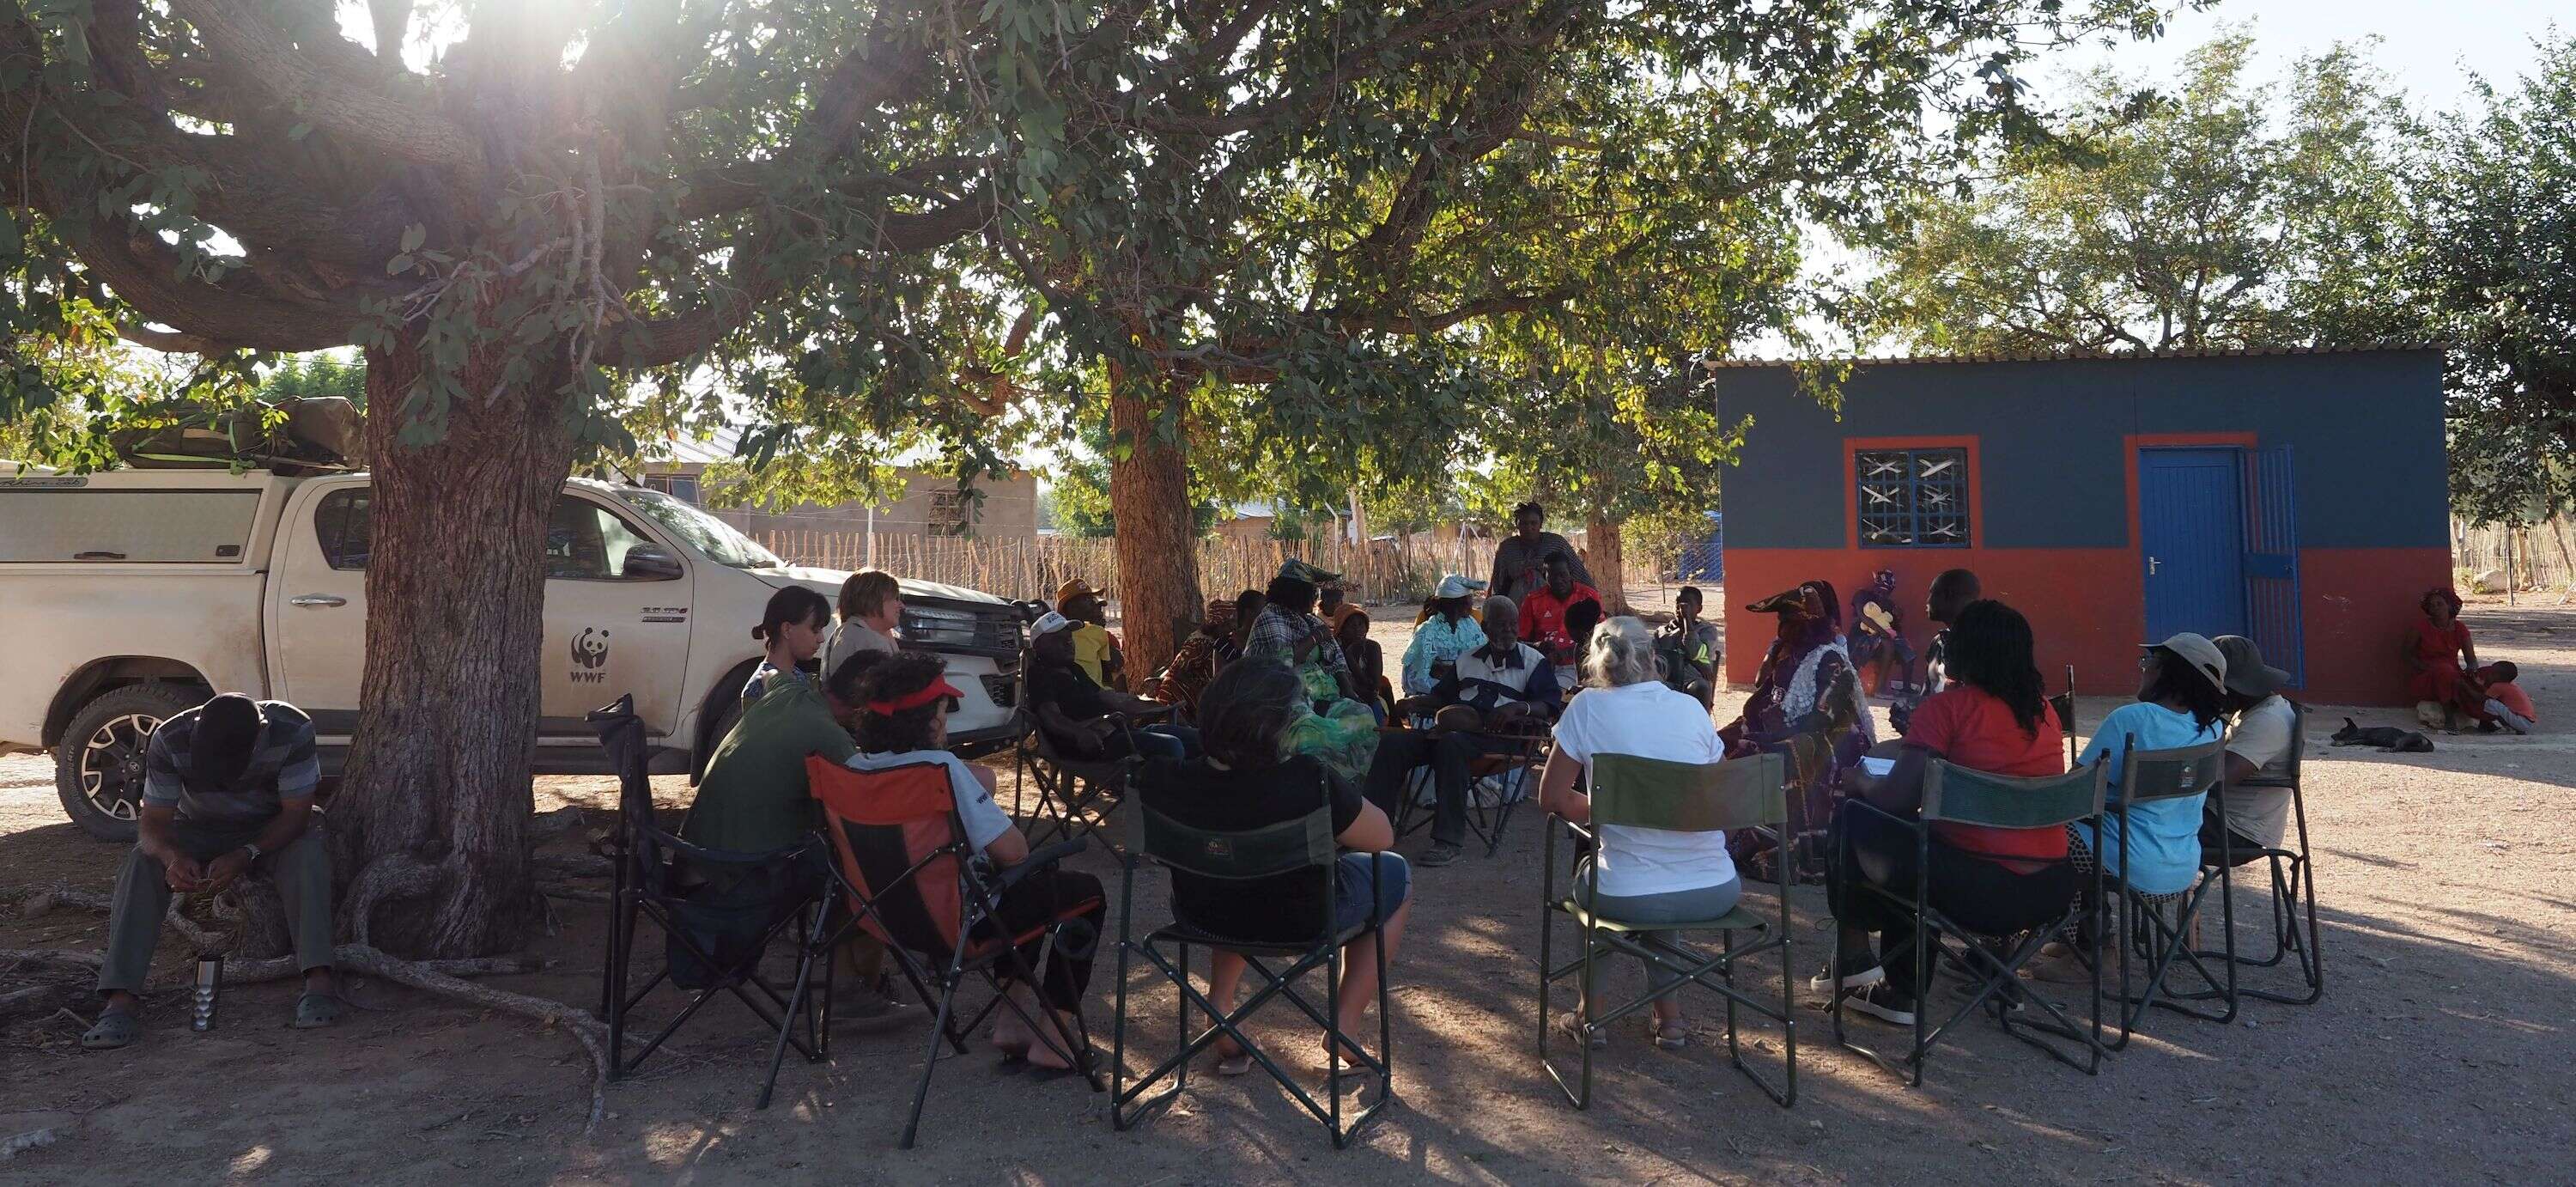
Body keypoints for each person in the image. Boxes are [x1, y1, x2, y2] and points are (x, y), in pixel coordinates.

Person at [1134, 660, 1412, 1076]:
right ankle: (1345, 1029)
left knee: (1229, 867)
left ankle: (1221, 1006)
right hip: (1298, 920)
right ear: (1279, 725)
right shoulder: (1308, 780)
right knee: (1396, 873)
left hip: (1201, 914)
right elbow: (1381, 838)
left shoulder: (1165, 777)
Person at [850, 653, 1104, 1069]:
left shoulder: (855, 768)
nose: (946, 720)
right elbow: (1013, 851)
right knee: (1079, 891)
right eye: (941, 711)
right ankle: (1054, 1034)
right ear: (923, 721)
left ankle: (1012, 1019)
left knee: (1031, 885)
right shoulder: (939, 769)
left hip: (887, 921)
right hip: (958, 923)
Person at [1826, 601, 2073, 1026]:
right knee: (1920, 844)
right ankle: (1885, 976)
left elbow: (1897, 799)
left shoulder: (1948, 709)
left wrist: (1862, 781)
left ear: (1965, 652)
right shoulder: (2044, 712)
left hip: (1976, 890)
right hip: (2050, 888)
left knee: (1858, 816)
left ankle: (1865, 967)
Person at [84, 693, 337, 1049]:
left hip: (272, 829)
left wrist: (246, 853)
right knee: (141, 864)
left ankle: (319, 982)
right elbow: (154, 823)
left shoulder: (292, 730)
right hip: (199, 828)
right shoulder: (170, 739)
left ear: (258, 739)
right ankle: (119, 1000)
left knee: (309, 851)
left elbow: (296, 814)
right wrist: (172, 857)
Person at [1536, 617, 1733, 1051]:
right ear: (1651, 656)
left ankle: (1593, 1017)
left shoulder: (1586, 707)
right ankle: (1672, 1021)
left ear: (1597, 661)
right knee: (1655, 874)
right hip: (1715, 888)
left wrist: (1614, 808)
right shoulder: (1690, 708)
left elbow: (1552, 799)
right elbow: (1726, 795)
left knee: (1607, 881)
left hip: (1629, 890)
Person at [686, 648, 912, 1023]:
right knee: (868, 866)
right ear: (864, 704)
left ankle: (842, 981)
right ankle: (846, 991)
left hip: (696, 855)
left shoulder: (790, 690)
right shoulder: (827, 735)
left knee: (833, 853)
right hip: (733, 876)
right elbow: (874, 805)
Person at [1366, 596, 1561, 867]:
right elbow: (1441, 697)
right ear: (1485, 627)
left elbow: (1550, 705)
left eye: (1513, 624)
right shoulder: (1467, 660)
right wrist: (1414, 702)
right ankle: (1376, 827)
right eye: (1501, 625)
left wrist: (1519, 707)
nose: (1509, 630)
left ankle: (1448, 841)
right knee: (1392, 743)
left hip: (1501, 739)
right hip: (1454, 731)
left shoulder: (1532, 662)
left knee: (1451, 745)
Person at [1721, 580, 1875, 880]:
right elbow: (1761, 697)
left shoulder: (1831, 659)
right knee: (1720, 742)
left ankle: (1779, 846)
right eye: (1781, 623)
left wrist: (1773, 736)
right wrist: (1752, 726)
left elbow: (1824, 717)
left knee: (1786, 752)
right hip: (1790, 729)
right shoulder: (1789, 655)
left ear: (1808, 624)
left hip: (1831, 741)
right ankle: (1715, 835)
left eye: (1788, 622)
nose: (1781, 629)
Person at [2066, 633, 2228, 907]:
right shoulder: (2213, 729)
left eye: (2148, 662)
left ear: (2167, 672)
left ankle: (2082, 938)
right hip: (2183, 869)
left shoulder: (2130, 719)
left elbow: (2072, 790)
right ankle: (2091, 937)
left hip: (2131, 866)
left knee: (2052, 835)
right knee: (2091, 833)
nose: (2143, 668)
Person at [1026, 612, 1200, 760]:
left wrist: (1155, 707)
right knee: (1172, 745)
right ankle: (1170, 795)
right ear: (1039, 646)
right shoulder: (1040, 675)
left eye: (1069, 638)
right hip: (1085, 744)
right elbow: (1051, 717)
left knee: (1197, 738)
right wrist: (1079, 733)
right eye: (1058, 640)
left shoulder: (1074, 668)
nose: (1069, 643)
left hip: (1111, 730)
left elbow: (1104, 696)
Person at [2201, 636, 2302, 859]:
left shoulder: (2268, 719)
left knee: (2136, 826)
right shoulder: (2249, 711)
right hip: (2220, 819)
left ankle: (2157, 891)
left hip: (2235, 830)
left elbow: (2215, 780)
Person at [1245, 569, 1366, 708]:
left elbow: (1337, 661)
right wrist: (1316, 637)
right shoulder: (1270, 619)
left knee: (1362, 714)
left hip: (1322, 696)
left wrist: (1350, 694)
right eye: (1313, 592)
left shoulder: (1312, 622)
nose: (1315, 598)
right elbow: (1282, 663)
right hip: (1284, 700)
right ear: (1299, 594)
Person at [1892, 569, 1981, 735]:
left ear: (1950, 596)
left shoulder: (1981, 645)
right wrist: (1909, 712)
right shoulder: (1938, 642)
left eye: (1932, 593)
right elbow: (1928, 694)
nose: (1927, 601)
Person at [2403, 587, 2489, 730]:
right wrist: (2423, 667)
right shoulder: (2420, 627)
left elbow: (2471, 660)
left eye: (2440, 604)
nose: (2436, 608)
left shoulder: (2460, 628)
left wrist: (2472, 671)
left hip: (2453, 674)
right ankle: (2449, 717)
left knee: (2487, 674)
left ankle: (2487, 718)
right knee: (2444, 671)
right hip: (2428, 676)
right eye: (2432, 605)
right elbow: (2406, 654)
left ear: (2449, 605)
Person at [1145, 597, 1242, 721]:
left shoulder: (1221, 642)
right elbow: (1175, 672)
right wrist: (1200, 692)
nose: (1231, 630)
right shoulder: (1199, 644)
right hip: (1184, 693)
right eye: (1228, 626)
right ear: (1217, 625)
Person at [742, 584, 834, 705]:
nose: (821, 639)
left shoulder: (797, 676)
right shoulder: (761, 687)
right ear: (786, 629)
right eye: (815, 630)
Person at [1400, 574, 1488, 697]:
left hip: (1467, 690)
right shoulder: (1427, 631)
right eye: (1469, 598)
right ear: (1457, 603)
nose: (1471, 602)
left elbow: (1483, 657)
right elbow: (1414, 679)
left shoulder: (1470, 625)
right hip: (1435, 695)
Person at [1489, 501, 1593, 602]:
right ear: (1517, 524)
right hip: (1516, 609)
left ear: (1541, 523)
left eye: (1533, 523)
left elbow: (1579, 573)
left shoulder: (1556, 544)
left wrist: (1594, 600)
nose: (1529, 528)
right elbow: (1497, 583)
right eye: (1524, 523)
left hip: (1553, 607)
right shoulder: (1507, 549)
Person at [1519, 553, 1605, 664]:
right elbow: (1520, 641)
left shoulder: (1588, 596)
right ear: (1544, 576)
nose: (1558, 580)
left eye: (1562, 575)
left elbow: (1602, 634)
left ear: (1570, 574)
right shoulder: (1532, 600)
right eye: (1552, 576)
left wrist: (1566, 653)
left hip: (1584, 662)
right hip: (1544, 662)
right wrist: (1537, 646)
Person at [1846, 569, 1916, 697]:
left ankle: (1906, 688)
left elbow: (1894, 628)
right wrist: (1882, 632)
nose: (1882, 593)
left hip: (1882, 637)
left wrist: (1898, 617)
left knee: (1908, 649)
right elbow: (1863, 617)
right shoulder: (1862, 595)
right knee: (1887, 643)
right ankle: (1880, 689)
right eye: (1880, 589)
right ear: (1875, 585)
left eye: (1887, 591)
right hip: (1860, 638)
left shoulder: (1889, 604)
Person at [824, 569, 903, 676]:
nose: (902, 606)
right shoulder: (870, 641)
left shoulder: (845, 633)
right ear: (873, 600)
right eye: (895, 599)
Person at [1656, 585, 1722, 707]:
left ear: (1699, 609)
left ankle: (1701, 723)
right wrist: (1697, 664)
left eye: (1687, 604)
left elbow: (1695, 652)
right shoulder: (1662, 632)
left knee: (1700, 687)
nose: (1680, 608)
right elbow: (1653, 658)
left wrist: (1687, 622)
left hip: (1691, 680)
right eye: (1678, 603)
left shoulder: (1707, 631)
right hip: (1665, 680)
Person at [1056, 577, 1126, 690]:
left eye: (1093, 599)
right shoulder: (1058, 637)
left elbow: (1115, 665)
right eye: (1088, 600)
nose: (1097, 605)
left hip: (1098, 695)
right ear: (1070, 608)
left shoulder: (1100, 634)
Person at [1338, 611, 1395, 720]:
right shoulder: (1336, 650)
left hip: (1367, 693)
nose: (1357, 629)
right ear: (1341, 629)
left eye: (1360, 624)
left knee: (1376, 701)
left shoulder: (1372, 647)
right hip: (1344, 696)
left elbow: (1374, 686)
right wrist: (1348, 655)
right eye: (1352, 625)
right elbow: (1346, 686)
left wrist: (1351, 659)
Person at [2475, 661, 2536, 735]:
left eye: (2492, 673)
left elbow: (2481, 698)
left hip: (2520, 721)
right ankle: (2512, 727)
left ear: (2498, 676)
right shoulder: (2511, 685)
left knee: (2489, 702)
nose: (2489, 675)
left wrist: (2465, 686)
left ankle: (2488, 725)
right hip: (2527, 721)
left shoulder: (2498, 686)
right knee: (2493, 703)